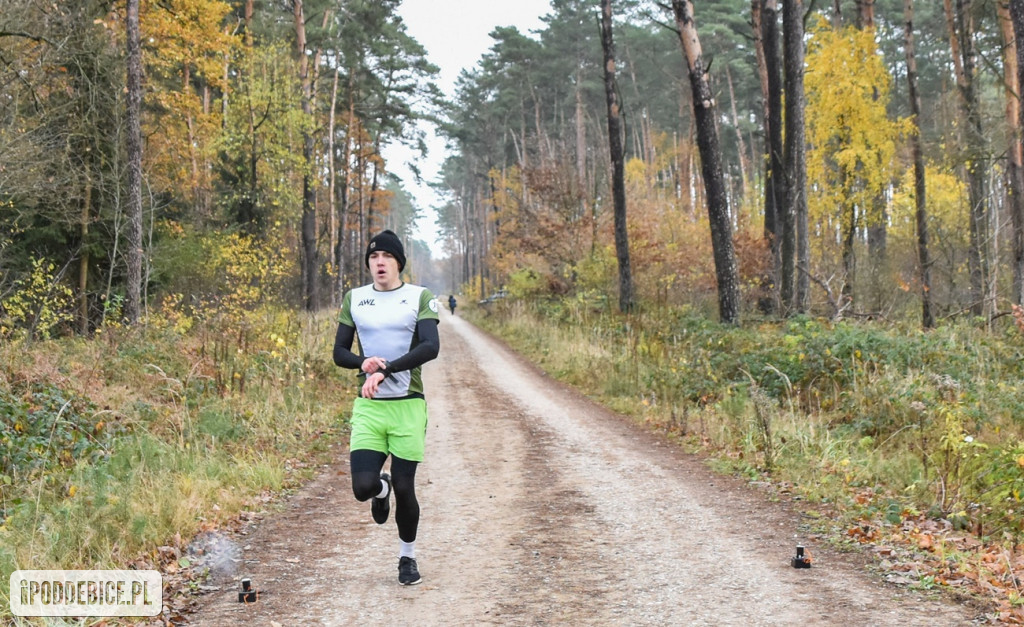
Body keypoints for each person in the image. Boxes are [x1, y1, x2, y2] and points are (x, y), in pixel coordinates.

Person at [332, 230, 440, 585]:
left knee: (407, 486)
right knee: (362, 487)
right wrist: (363, 364)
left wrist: (387, 369)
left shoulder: (419, 297)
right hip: (370, 406)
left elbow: (430, 347)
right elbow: (339, 353)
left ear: (398, 263)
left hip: (408, 405)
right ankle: (381, 490)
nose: (379, 263)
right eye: (373, 257)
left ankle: (406, 559)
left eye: (387, 257)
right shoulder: (355, 298)